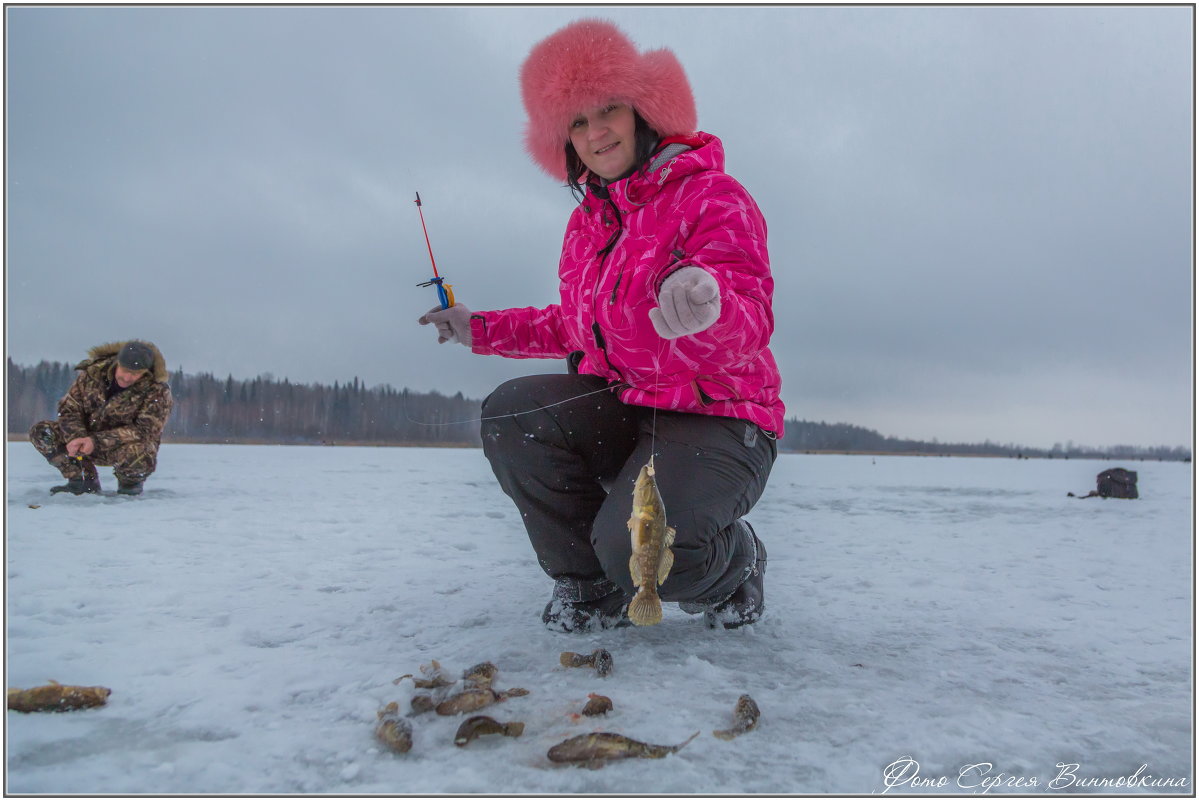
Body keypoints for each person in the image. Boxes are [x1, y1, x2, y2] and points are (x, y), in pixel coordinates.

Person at [419, 19, 784, 631]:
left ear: (641, 112)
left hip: (720, 418)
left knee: (646, 557)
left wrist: (708, 307)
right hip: (626, 408)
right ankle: (590, 587)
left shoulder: (712, 197)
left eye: (607, 110)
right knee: (515, 414)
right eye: (578, 123)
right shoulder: (587, 223)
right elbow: (577, 326)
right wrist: (475, 326)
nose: (596, 133)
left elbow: (750, 317)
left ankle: (737, 562)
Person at [30, 340, 173, 496]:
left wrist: (96, 441)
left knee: (140, 451)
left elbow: (144, 430)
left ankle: (130, 486)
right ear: (116, 363)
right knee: (43, 432)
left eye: (135, 373)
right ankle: (83, 482)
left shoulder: (157, 390)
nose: (127, 377)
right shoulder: (92, 374)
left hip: (122, 448)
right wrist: (76, 437)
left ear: (145, 372)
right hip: (83, 443)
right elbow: (70, 408)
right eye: (124, 370)